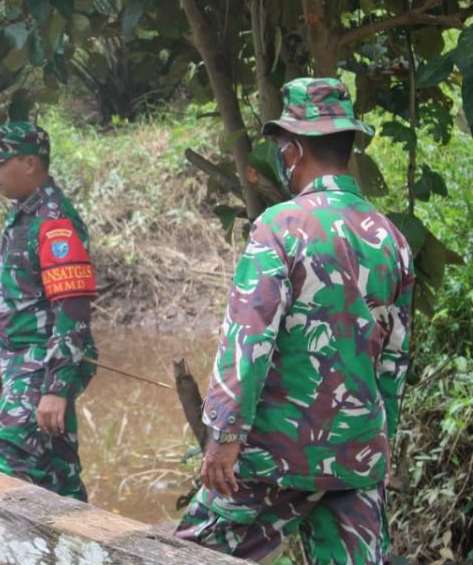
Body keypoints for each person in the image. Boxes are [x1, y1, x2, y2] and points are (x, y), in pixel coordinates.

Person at [176, 78, 414, 563]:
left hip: (277, 457)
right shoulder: (391, 239)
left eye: (282, 147)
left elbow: (248, 338)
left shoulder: (280, 227)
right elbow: (395, 360)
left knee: (182, 557)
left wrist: (224, 436)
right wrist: (379, 444)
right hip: (358, 456)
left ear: (294, 150)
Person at [0, 121, 98, 500]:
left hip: (43, 364)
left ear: (30, 163)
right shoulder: (24, 214)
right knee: (56, 474)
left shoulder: (54, 221)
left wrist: (56, 387)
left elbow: (73, 308)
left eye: (1, 163)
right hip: (22, 363)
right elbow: (21, 299)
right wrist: (3, 361)